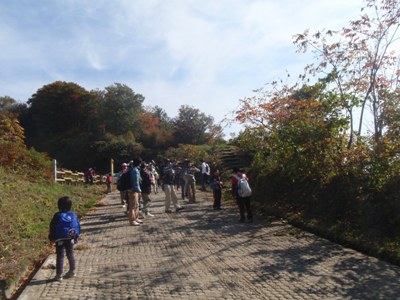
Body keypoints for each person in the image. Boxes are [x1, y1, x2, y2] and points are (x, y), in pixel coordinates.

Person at [49, 196, 80, 282]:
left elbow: (52, 227)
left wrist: (52, 238)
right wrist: (76, 237)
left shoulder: (57, 215)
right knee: (70, 254)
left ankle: (59, 275)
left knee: (60, 256)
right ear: (70, 206)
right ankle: (72, 271)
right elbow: (77, 226)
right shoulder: (73, 215)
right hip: (71, 237)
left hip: (60, 239)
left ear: (59, 206)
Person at [127, 159, 142, 226]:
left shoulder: (132, 169)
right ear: (139, 163)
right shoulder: (135, 171)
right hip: (133, 190)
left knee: (136, 205)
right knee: (132, 206)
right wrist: (139, 191)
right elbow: (136, 182)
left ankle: (136, 218)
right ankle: (132, 220)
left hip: (133, 190)